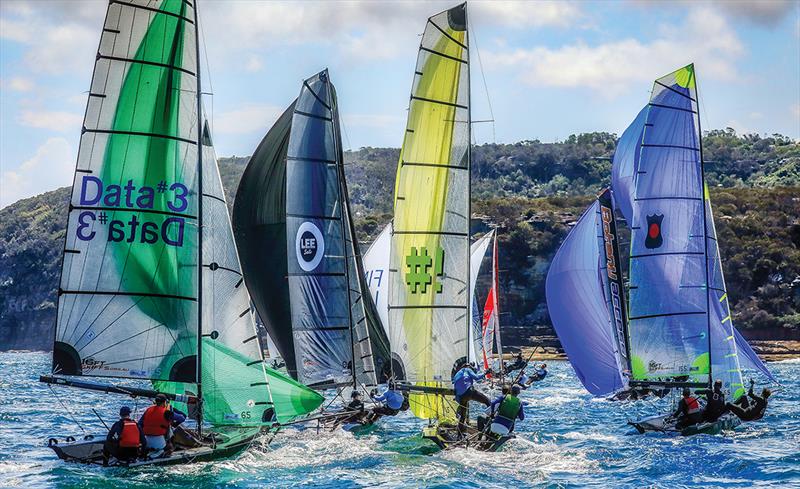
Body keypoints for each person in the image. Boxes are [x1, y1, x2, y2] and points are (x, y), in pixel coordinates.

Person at [139, 393, 184, 458]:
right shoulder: (166, 412)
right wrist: (173, 423)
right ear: (165, 402)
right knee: (170, 447)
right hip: (159, 442)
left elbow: (139, 424)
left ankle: (150, 451)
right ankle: (162, 451)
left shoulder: (148, 410)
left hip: (146, 441)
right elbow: (182, 418)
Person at [452, 362, 492, 434]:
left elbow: (456, 389)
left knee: (463, 416)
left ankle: (459, 434)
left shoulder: (456, 374)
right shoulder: (467, 369)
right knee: (488, 402)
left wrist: (459, 401)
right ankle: (489, 423)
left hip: (461, 396)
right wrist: (485, 373)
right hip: (469, 392)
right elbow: (476, 378)